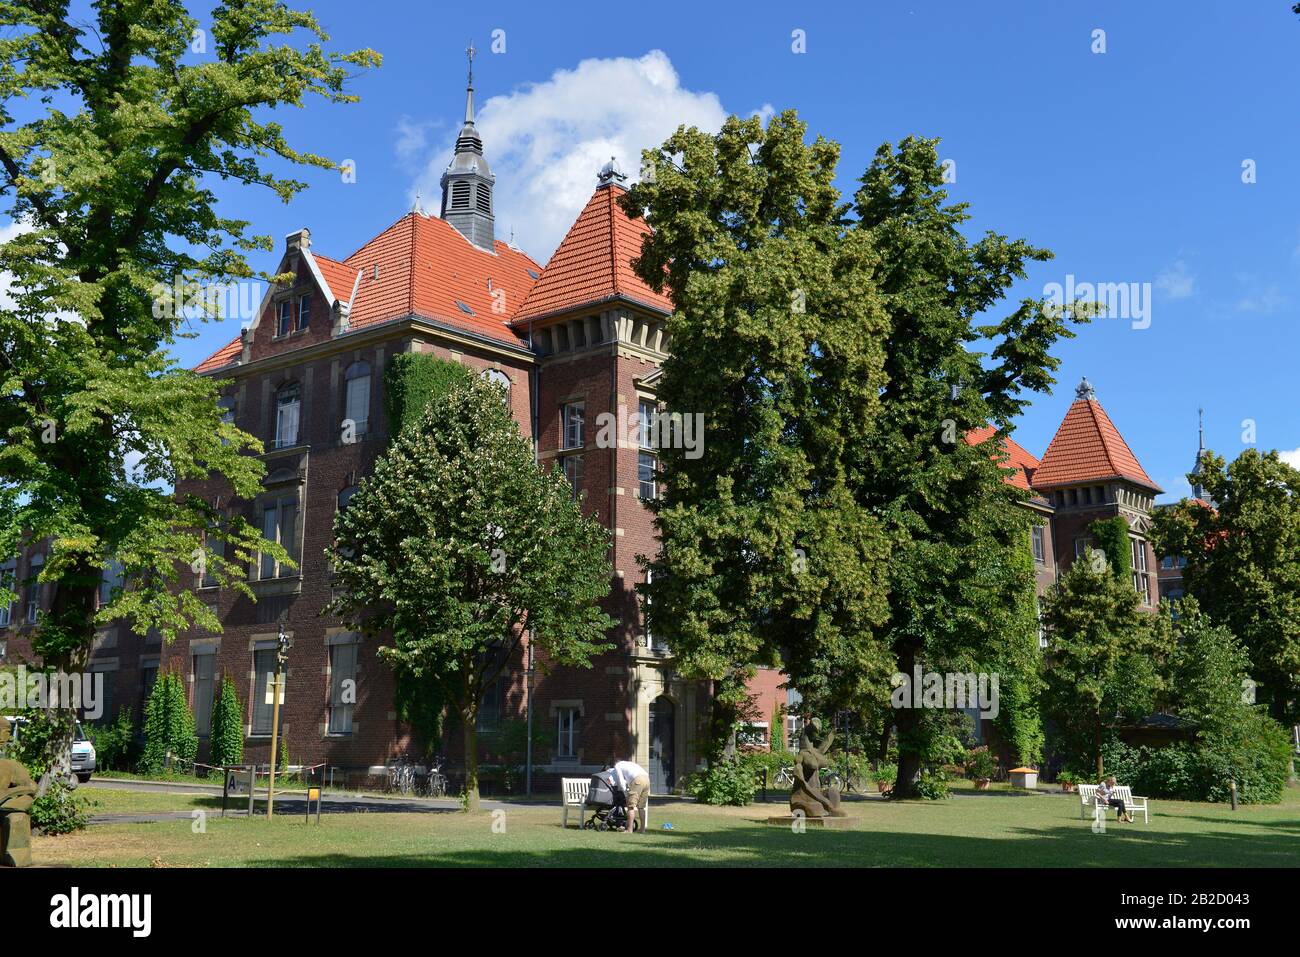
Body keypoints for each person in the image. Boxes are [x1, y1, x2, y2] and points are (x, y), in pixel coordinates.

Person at [611, 756, 649, 833]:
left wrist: (625, 794)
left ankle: (629, 829)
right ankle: (642, 829)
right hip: (647, 779)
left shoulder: (618, 765)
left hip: (637, 780)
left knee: (631, 806)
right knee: (641, 807)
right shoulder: (629, 764)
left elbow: (621, 781)